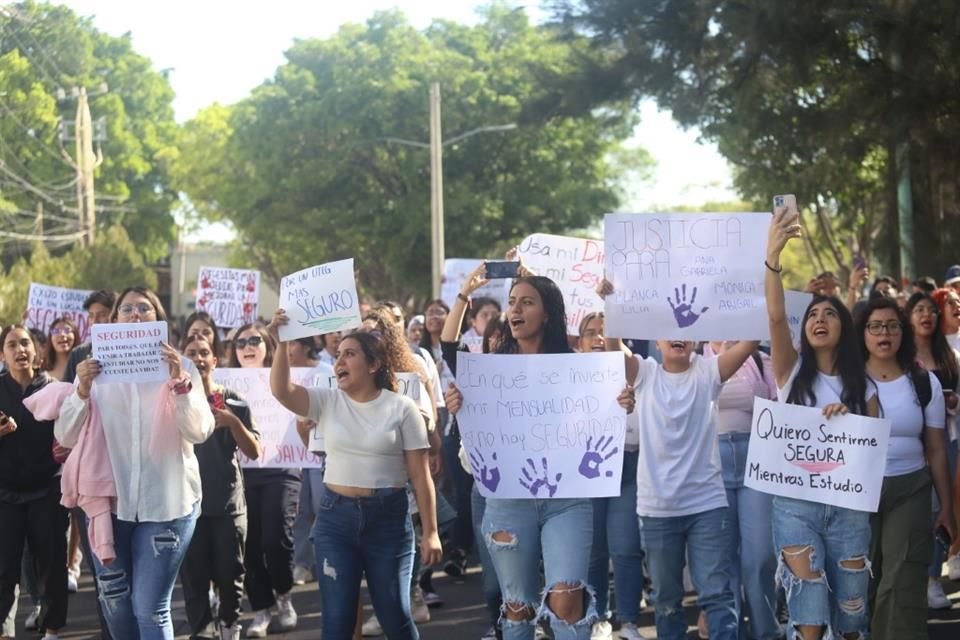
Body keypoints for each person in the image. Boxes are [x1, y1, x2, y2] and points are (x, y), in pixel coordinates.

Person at [445, 276, 635, 640]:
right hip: (507, 502)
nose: (515, 309)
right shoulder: (489, 371)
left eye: (527, 302)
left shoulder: (578, 366)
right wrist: (460, 406)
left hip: (567, 502)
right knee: (518, 608)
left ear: (548, 314)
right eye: (512, 301)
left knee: (567, 600)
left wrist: (621, 402)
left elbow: (611, 382)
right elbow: (449, 346)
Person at [55, 286, 215, 639]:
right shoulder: (92, 373)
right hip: (109, 508)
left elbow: (201, 431)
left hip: (168, 506)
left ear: (159, 319)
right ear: (114, 321)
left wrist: (180, 383)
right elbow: (65, 436)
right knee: (115, 601)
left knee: (150, 607)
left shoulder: (182, 367)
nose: (136, 314)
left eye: (145, 308)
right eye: (127, 309)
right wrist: (80, 390)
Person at [268, 316, 442, 639]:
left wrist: (431, 532)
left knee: (395, 616)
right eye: (337, 356)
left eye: (349, 354)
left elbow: (420, 477)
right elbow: (282, 390)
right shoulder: (326, 400)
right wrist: (281, 344)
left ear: (374, 364)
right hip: (336, 521)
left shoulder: (403, 408)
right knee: (337, 620)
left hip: (388, 521)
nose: (339, 362)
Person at [766, 205, 878, 640]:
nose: (818, 319)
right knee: (809, 621)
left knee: (850, 620)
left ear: (844, 327)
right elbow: (776, 317)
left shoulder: (864, 386)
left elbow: (872, 455)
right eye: (812, 314)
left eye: (829, 313)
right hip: (795, 507)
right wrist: (772, 258)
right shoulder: (789, 372)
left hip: (850, 511)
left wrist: (852, 422)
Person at [856, 296, 954, 638]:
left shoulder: (924, 382)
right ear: (863, 334)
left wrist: (946, 507)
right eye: (876, 326)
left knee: (900, 581)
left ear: (903, 332)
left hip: (911, 490)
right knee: (862, 582)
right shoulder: (845, 382)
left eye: (893, 325)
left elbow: (937, 448)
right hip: (857, 495)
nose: (885, 333)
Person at [180, 331, 263, 640]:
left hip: (228, 503)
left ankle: (229, 624)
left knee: (231, 573)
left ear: (215, 360)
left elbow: (254, 450)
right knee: (194, 577)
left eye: (204, 353)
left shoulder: (234, 401)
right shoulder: (174, 401)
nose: (199, 358)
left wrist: (232, 422)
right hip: (188, 504)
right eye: (192, 353)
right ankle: (201, 630)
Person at [701, 340, 779, 640]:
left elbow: (781, 406)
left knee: (759, 555)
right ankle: (729, 632)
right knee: (723, 558)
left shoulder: (760, 359)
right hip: (711, 461)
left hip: (756, 458)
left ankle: (766, 631)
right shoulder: (695, 356)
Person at [227, 323, 300, 638]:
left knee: (276, 538)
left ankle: (283, 594)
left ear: (267, 345)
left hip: (282, 470)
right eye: (240, 341)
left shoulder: (285, 378)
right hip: (243, 474)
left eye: (254, 339)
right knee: (250, 545)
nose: (247, 345)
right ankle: (262, 608)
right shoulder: (225, 388)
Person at [576, 312, 645, 640]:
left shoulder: (635, 370)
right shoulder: (567, 375)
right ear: (580, 341)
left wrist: (629, 408)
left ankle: (629, 620)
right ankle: (598, 617)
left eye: (605, 331)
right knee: (594, 550)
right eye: (591, 333)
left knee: (626, 547)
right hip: (585, 471)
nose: (598, 338)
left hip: (627, 465)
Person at [0, 325, 68, 640]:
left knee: (52, 564)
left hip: (47, 491)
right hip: (5, 493)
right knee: (4, 568)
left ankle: (52, 629)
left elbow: (73, 434)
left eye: (25, 343)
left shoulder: (54, 388)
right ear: (3, 354)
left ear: (37, 351)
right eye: (12, 345)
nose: (20, 350)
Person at [906, 291, 960, 603]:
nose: (927, 315)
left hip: (946, 441)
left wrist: (952, 401)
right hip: (912, 445)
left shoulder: (946, 355)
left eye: (931, 310)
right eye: (919, 310)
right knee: (917, 510)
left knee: (942, 507)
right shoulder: (900, 356)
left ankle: (932, 578)